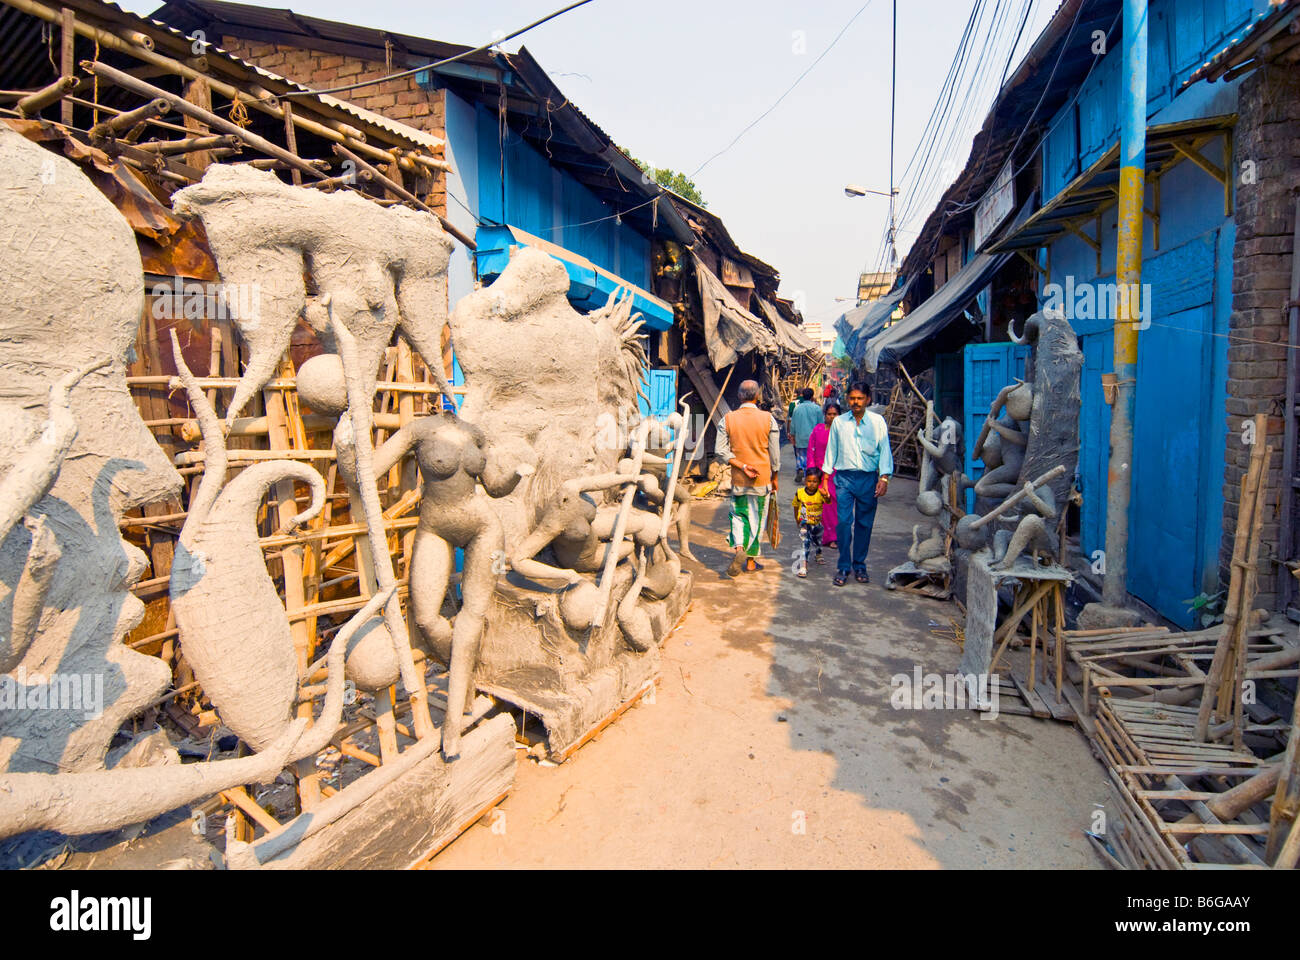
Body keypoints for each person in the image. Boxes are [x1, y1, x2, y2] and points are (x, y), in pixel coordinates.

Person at [823, 381, 893, 586]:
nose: (855, 402)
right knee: (844, 523)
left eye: (860, 398)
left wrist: (884, 477)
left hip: (868, 479)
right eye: (852, 398)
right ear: (847, 399)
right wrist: (825, 479)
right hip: (843, 478)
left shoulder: (878, 422)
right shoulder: (839, 422)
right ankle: (843, 566)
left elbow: (884, 449)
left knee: (864, 524)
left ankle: (860, 566)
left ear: (867, 399)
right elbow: (831, 450)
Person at [715, 379, 780, 576]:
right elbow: (775, 455)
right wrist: (775, 476)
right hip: (762, 479)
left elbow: (720, 451)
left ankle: (739, 549)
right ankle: (750, 562)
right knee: (757, 519)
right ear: (757, 396)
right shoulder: (768, 419)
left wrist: (741, 465)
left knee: (738, 515)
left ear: (739, 396)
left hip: (739, 479)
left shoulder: (727, 419)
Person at [806, 400, 841, 551]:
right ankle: (819, 536)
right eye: (829, 414)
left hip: (836, 474)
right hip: (818, 473)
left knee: (833, 507)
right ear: (825, 415)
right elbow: (810, 450)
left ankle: (833, 537)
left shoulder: (842, 433)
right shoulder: (818, 430)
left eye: (835, 414)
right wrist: (811, 470)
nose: (832, 417)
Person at [792, 467, 828, 576]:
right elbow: (795, 506)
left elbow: (828, 501)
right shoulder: (800, 493)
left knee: (817, 541)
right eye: (809, 481)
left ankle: (818, 553)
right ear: (805, 480)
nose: (811, 484)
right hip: (804, 523)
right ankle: (803, 567)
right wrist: (797, 519)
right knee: (805, 543)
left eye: (815, 481)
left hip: (817, 523)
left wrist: (826, 494)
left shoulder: (820, 494)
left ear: (819, 482)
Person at [790, 387, 822, 484]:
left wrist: (792, 435)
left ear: (803, 396)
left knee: (800, 455)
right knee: (811, 457)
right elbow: (821, 424)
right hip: (813, 438)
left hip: (800, 436)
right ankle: (809, 474)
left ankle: (800, 469)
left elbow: (793, 423)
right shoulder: (817, 408)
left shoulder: (797, 408)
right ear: (812, 397)